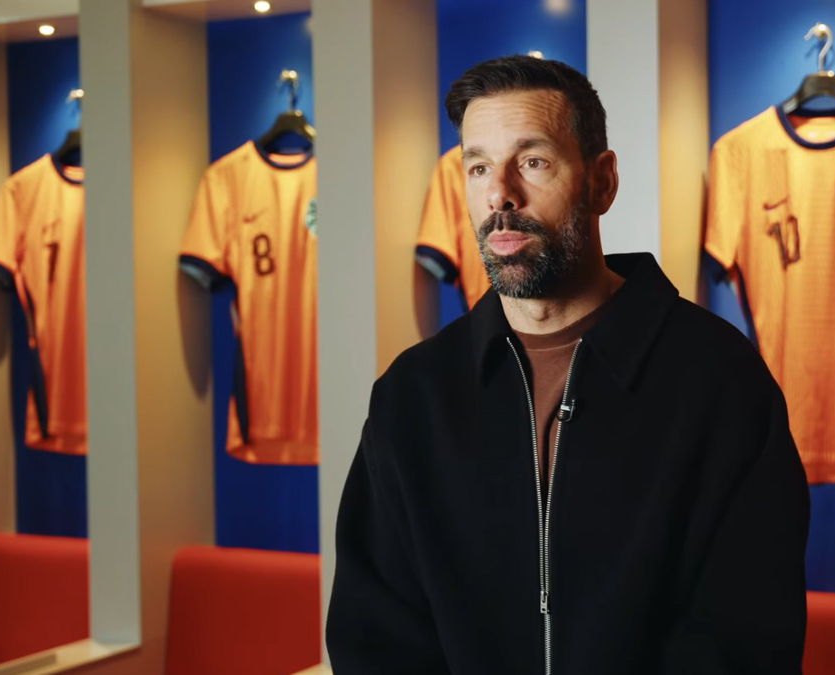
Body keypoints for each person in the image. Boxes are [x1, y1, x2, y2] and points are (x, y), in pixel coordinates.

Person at [326, 55, 809, 674]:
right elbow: (376, 636)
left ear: (602, 182)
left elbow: (744, 638)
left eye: (532, 161)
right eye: (478, 166)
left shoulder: (719, 380)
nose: (500, 193)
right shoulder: (412, 396)